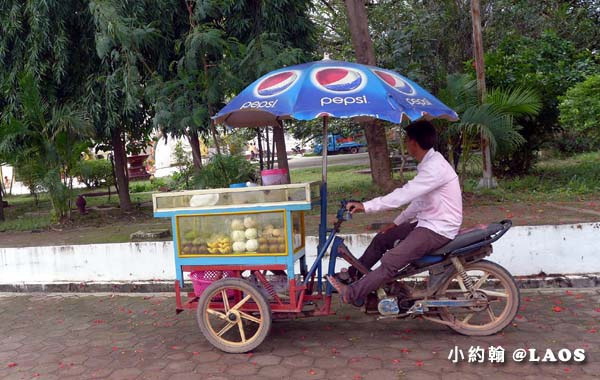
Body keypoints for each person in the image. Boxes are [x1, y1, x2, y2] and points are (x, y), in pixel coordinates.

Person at [327, 120, 463, 304]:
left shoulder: (434, 168)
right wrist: (397, 223)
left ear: (413, 142)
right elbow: (419, 202)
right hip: (428, 221)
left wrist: (366, 206)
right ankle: (353, 276)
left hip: (438, 228)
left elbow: (403, 195)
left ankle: (351, 293)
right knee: (383, 238)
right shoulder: (430, 163)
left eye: (407, 140)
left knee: (391, 260)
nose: (406, 144)